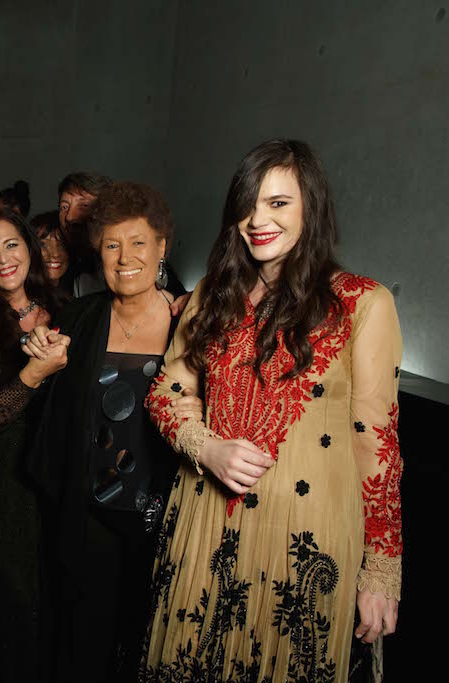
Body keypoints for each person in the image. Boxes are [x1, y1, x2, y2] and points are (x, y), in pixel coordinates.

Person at [139, 140, 402, 681]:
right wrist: (207, 446)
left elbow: (377, 445)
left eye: (278, 203)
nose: (258, 220)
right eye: (248, 204)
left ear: (312, 207)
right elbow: (165, 391)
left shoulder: (362, 303)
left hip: (306, 539)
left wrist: (380, 570)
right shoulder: (213, 294)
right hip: (206, 524)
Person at [26, 181, 202, 679]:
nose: (125, 257)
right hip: (88, 518)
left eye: (138, 242)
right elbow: (53, 412)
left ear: (162, 247)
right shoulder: (79, 318)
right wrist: (35, 347)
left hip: (162, 520)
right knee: (83, 647)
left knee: (148, 648)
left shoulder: (189, 324)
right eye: (111, 245)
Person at [0, 209, 67, 681]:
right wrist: (33, 373)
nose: (3, 259)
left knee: (55, 597)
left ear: (29, 248)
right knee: (14, 602)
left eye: (11, 245)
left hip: (57, 475)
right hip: (3, 481)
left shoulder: (65, 307)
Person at [58, 171, 187, 301]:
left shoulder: (153, 273)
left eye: (84, 205)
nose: (69, 217)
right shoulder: (68, 267)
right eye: (64, 207)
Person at [31, 210, 73, 299]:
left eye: (62, 244)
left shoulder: (79, 292)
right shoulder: (23, 299)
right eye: (43, 245)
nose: (55, 254)